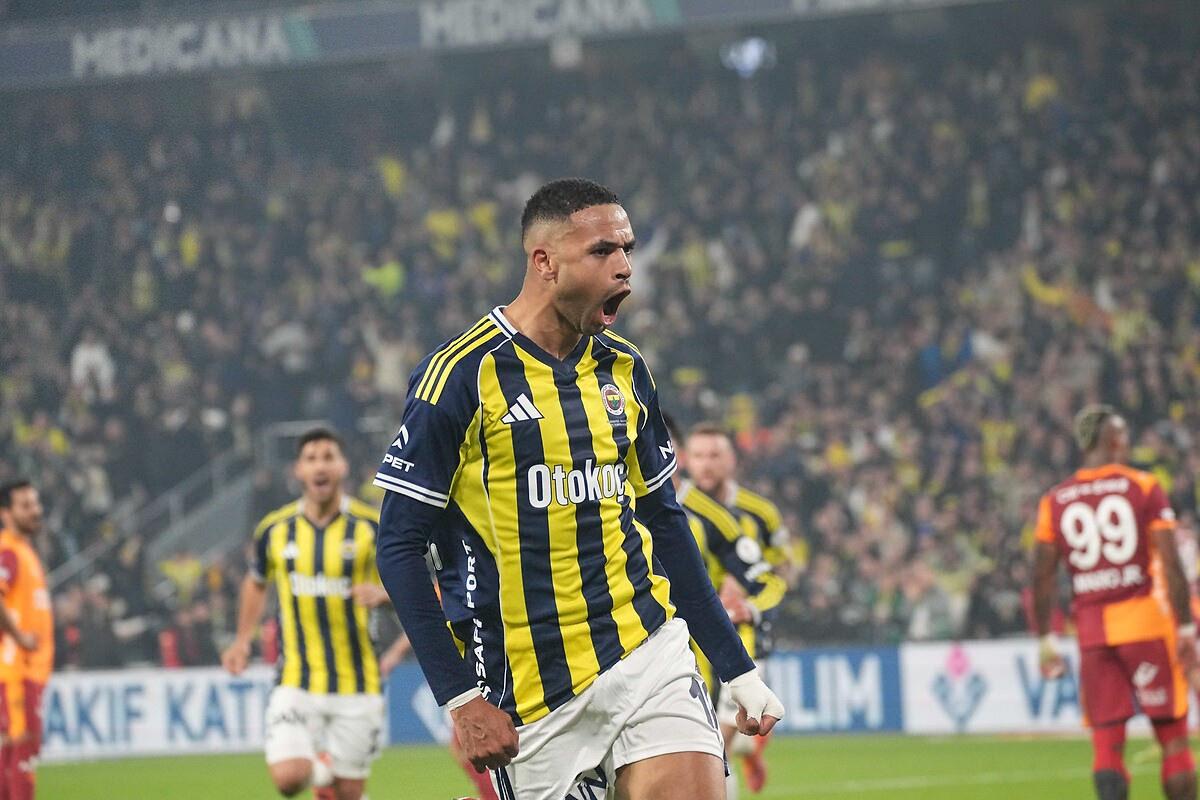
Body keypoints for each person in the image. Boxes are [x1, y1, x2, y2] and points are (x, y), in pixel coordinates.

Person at [374, 178, 783, 800]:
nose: (624, 267)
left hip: (645, 652)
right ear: (545, 262)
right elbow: (398, 545)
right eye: (602, 251)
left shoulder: (626, 368)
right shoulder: (460, 376)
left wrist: (737, 669)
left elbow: (665, 522)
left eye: (627, 249)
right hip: (527, 689)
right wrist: (459, 697)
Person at [1033, 405, 1198, 800]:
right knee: (1173, 738)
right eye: (1123, 436)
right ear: (1112, 440)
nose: (1127, 443)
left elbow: (1041, 577)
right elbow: (1171, 563)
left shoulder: (1055, 500)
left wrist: (1046, 639)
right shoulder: (1143, 486)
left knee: (1106, 745)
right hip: (1147, 625)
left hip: (1093, 635)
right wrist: (1186, 627)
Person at [222, 429, 391, 800]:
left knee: (349, 794)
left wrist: (383, 594)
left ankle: (330, 773)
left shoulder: (371, 527)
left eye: (328, 457)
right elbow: (256, 583)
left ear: (343, 467)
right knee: (289, 778)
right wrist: (242, 640)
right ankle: (323, 766)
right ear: (298, 470)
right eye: (311, 458)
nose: (320, 466)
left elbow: (413, 586)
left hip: (358, 682)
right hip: (296, 680)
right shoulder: (275, 529)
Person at [665, 418, 787, 800]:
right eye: (700, 455)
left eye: (714, 455)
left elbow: (773, 575)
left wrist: (747, 603)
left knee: (712, 752)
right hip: (658, 646)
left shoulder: (736, 515)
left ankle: (745, 746)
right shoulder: (608, 504)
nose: (706, 464)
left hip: (727, 642)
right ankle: (746, 749)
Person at [0, 480, 53, 800]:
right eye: (25, 505)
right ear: (5, 513)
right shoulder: (9, 552)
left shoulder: (24, 551)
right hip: (18, 671)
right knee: (23, 754)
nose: (35, 511)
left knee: (10, 755)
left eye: (35, 503)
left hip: (24, 672)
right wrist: (18, 635)